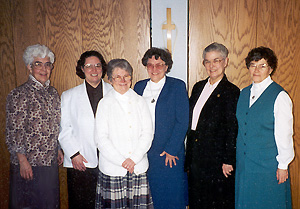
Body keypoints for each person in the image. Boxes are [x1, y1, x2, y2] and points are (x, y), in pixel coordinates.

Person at [235, 46, 294, 209]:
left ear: (271, 69)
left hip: (268, 165)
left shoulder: (280, 96)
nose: (256, 70)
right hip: (245, 165)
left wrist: (283, 165)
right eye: (253, 65)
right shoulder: (242, 93)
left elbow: (285, 133)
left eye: (262, 65)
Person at [5, 44, 63, 209]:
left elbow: (54, 124)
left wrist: (57, 148)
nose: (43, 69)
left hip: (48, 163)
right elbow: (13, 131)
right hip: (28, 165)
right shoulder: (19, 94)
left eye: (47, 64)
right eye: (38, 64)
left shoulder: (53, 93)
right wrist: (22, 161)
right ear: (29, 67)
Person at [185, 42, 240, 209]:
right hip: (196, 157)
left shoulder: (231, 91)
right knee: (197, 200)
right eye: (207, 61)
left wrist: (228, 160)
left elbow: (232, 128)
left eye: (216, 60)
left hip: (216, 160)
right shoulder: (198, 87)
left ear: (226, 61)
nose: (211, 65)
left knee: (215, 201)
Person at [94, 59, 154, 208]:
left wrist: (133, 159)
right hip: (113, 168)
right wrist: (122, 161)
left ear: (131, 78)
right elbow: (100, 138)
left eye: (126, 76)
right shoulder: (104, 103)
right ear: (110, 80)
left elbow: (147, 133)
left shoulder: (140, 101)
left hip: (137, 167)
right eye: (117, 77)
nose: (122, 80)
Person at [134, 48, 189, 209]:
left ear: (166, 67)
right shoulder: (139, 86)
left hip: (169, 153)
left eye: (159, 65)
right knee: (150, 196)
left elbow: (182, 121)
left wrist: (172, 149)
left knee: (171, 195)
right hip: (145, 152)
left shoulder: (177, 86)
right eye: (150, 65)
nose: (154, 69)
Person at [58, 51, 112, 208]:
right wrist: (73, 154)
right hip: (81, 160)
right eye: (88, 66)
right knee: (81, 204)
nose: (94, 70)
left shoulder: (114, 92)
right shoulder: (69, 96)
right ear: (82, 69)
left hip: (109, 160)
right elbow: (64, 128)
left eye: (97, 65)